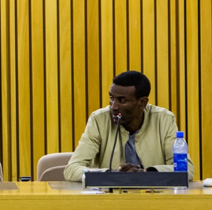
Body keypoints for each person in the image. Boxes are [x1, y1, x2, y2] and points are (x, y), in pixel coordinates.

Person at [65, 70, 194, 181]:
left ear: (142, 103)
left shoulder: (163, 119)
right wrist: (111, 174)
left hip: (154, 198)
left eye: (122, 100)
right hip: (111, 199)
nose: (113, 106)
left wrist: (145, 173)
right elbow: (71, 169)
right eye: (111, 98)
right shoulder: (99, 120)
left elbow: (186, 170)